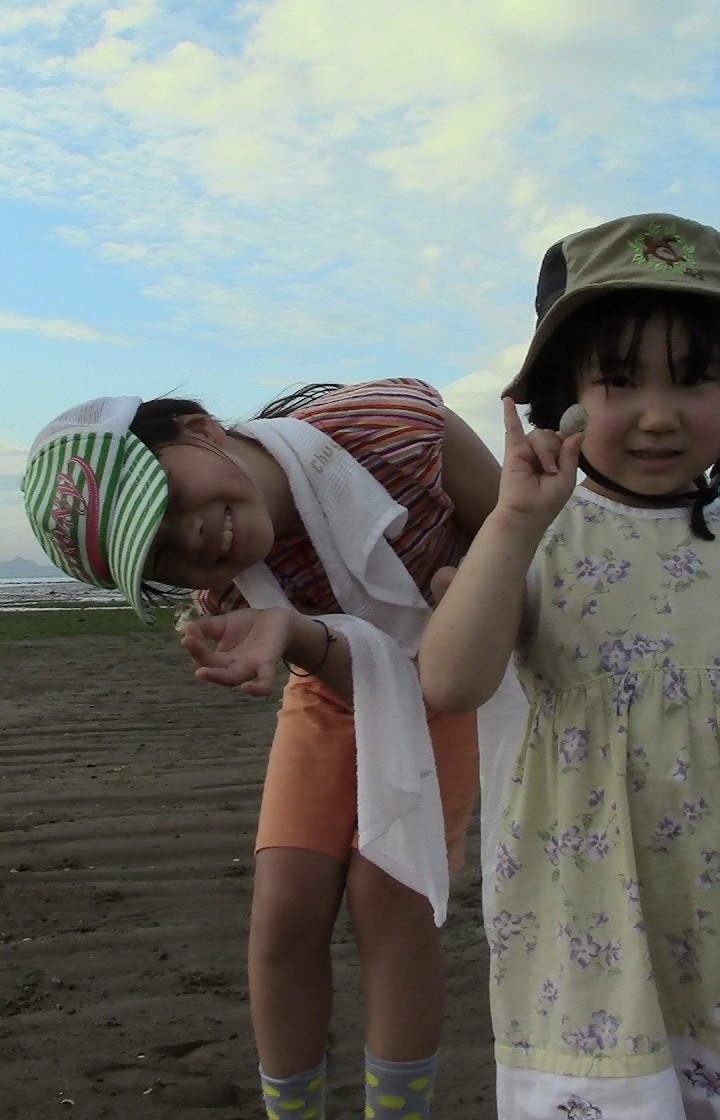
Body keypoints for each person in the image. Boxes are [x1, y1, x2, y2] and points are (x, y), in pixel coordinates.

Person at [21, 377, 501, 1120]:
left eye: (167, 500)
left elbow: (528, 534)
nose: (191, 539)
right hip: (332, 685)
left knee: (390, 898)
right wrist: (295, 636)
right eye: (160, 552)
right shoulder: (233, 593)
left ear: (198, 427)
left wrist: (475, 582)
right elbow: (347, 677)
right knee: (283, 908)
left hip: (448, 681)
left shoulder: (396, 432)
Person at [419, 212, 720, 1120]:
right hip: (589, 921)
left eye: (697, 378)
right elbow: (451, 681)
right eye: (619, 382)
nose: (659, 414)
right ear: (564, 400)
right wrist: (513, 522)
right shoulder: (537, 534)